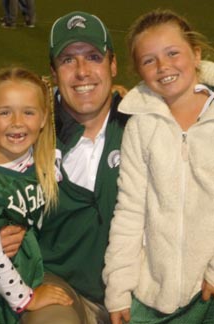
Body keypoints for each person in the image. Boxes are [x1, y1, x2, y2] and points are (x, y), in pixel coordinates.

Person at [102, 9, 214, 324]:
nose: (163, 66)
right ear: (138, 69)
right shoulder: (140, 126)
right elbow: (129, 211)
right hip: (153, 292)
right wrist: (119, 288)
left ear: (196, 54)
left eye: (172, 53)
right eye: (149, 60)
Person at [20, 11, 129, 324]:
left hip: (138, 286)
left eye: (94, 56)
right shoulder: (31, 129)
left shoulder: (142, 121)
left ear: (113, 64)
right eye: (68, 60)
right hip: (63, 288)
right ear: (54, 73)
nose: (82, 72)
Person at [0, 66, 72, 324]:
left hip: (18, 283)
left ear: (44, 118)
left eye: (28, 112)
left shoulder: (36, 160)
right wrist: (26, 298)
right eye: (4, 112)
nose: (17, 122)